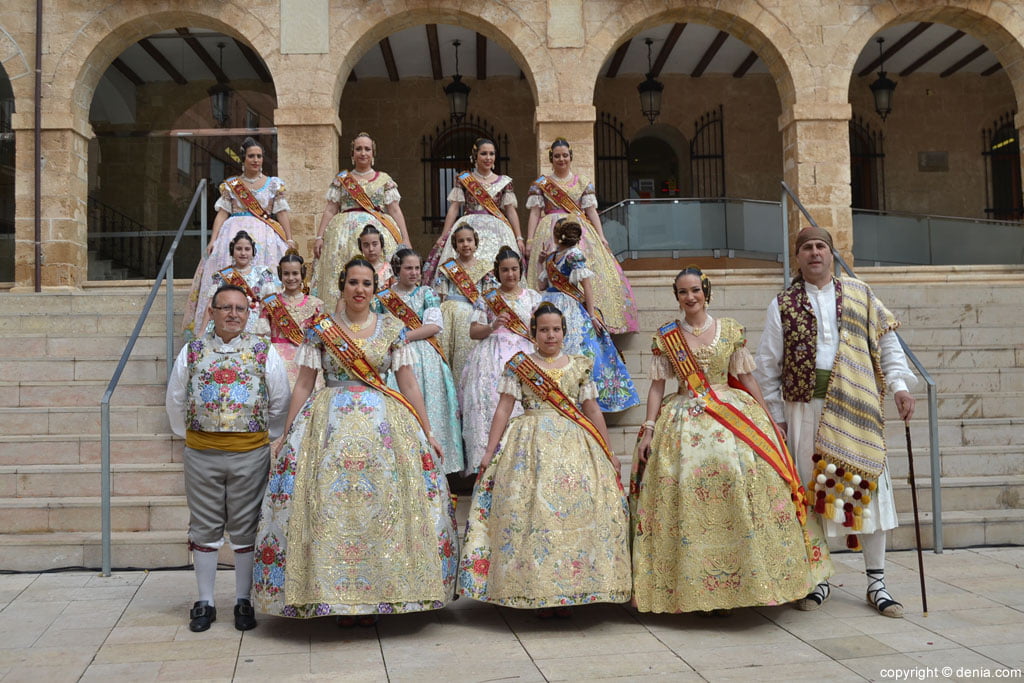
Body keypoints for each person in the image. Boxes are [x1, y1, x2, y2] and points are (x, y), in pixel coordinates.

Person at [252, 258, 458, 623]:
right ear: (341, 286)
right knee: (329, 510)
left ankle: (377, 595)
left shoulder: (392, 328)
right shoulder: (321, 328)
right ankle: (334, 597)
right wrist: (286, 432)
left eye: (366, 283)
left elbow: (408, 382)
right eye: (353, 283)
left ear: (374, 289)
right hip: (328, 425)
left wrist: (426, 430)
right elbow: (303, 382)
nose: (360, 290)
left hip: (383, 425)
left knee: (381, 509)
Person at [631, 267, 832, 614]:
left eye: (695, 290)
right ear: (676, 296)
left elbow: (747, 379)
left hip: (733, 416)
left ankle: (754, 581)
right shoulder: (666, 337)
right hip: (682, 421)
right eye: (682, 292)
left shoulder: (730, 330)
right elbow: (657, 387)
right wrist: (649, 427)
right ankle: (699, 588)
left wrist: (768, 419)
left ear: (705, 291)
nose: (690, 297)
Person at [754, 226, 916, 618]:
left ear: (832, 254)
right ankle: (818, 578)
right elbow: (766, 366)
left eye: (821, 247)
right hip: (804, 411)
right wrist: (777, 418)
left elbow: (888, 342)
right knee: (813, 494)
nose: (814, 253)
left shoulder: (861, 294)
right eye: (807, 248)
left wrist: (898, 386)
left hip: (858, 407)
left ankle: (877, 583)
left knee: (869, 487)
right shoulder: (783, 304)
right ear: (797, 258)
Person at [459, 303, 631, 616]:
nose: (550, 335)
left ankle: (570, 588)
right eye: (543, 330)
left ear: (564, 332)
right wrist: (488, 451)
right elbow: (503, 408)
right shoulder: (520, 365)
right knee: (531, 516)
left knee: (573, 515)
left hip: (575, 443)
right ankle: (535, 590)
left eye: (555, 329)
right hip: (528, 446)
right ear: (533, 333)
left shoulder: (580, 365)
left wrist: (608, 450)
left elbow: (592, 410)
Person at [165, 284, 290, 632]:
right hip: (201, 452)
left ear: (248, 314)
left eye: (240, 308)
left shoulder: (264, 352)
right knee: (204, 526)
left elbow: (279, 399)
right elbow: (176, 397)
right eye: (226, 308)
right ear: (212, 311)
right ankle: (203, 600)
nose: (233, 314)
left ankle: (242, 600)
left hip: (249, 453)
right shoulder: (192, 351)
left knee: (245, 527)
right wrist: (190, 435)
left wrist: (265, 435)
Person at [524, 138, 638, 333]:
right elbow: (535, 212)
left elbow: (591, 210)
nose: (561, 159)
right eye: (557, 156)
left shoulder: (583, 182)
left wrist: (601, 236)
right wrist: (530, 239)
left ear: (571, 157)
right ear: (551, 158)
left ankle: (592, 315)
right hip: (549, 231)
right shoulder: (541, 184)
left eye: (565, 155)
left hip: (579, 230)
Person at [184, 137, 294, 339]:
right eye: (251, 156)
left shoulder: (272, 185)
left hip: (266, 236)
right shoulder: (232, 185)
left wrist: (289, 239)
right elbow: (222, 213)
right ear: (243, 159)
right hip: (232, 234)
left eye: (259, 156)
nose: (256, 160)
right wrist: (213, 240)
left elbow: (282, 213)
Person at [373, 248, 465, 476]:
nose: (414, 272)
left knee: (430, 406)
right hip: (395, 358)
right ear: (397, 270)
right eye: (408, 268)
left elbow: (434, 326)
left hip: (425, 356)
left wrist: (402, 336)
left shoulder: (427, 293)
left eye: (417, 268)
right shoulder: (383, 297)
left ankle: (434, 463)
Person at [538, 218, 639, 413]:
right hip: (559, 305)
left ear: (557, 236)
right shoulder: (558, 256)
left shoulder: (564, 256)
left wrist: (592, 315)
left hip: (559, 305)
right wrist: (541, 262)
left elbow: (582, 286)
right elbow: (548, 285)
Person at [460, 246, 542, 475]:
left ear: (520, 270)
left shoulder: (533, 297)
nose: (510, 275)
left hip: (525, 355)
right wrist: (492, 325)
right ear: (497, 272)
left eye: (514, 269)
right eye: (505, 270)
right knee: (489, 405)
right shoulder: (487, 299)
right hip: (492, 357)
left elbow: (542, 328)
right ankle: (489, 462)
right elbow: (473, 332)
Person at [312, 132, 410, 312]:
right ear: (352, 154)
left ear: (373, 154)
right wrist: (319, 236)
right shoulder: (342, 180)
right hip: (342, 237)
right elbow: (331, 208)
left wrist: (405, 239)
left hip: (379, 233)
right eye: (358, 149)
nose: (363, 153)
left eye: (367, 149)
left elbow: (395, 209)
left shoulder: (384, 180)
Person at [422, 138, 523, 284]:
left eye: (491, 154)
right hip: (469, 225)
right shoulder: (464, 179)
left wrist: (518, 237)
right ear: (475, 156)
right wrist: (444, 235)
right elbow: (454, 207)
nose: (488, 158)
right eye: (484, 154)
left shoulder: (504, 181)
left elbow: (511, 211)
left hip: (498, 229)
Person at [430, 225, 497, 389]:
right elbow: (439, 296)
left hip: (473, 319)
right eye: (461, 241)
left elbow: (490, 297)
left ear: (476, 243)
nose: (465, 244)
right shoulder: (448, 268)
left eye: (469, 240)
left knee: (466, 359)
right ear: (455, 244)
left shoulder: (486, 268)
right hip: (449, 317)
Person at [195, 230, 281, 337]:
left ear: (253, 251)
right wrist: (201, 331)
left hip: (257, 327)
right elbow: (211, 303)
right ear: (232, 251)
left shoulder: (263, 273)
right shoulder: (223, 276)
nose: (243, 253)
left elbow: (272, 302)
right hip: (228, 322)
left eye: (247, 249)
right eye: (239, 249)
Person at [261, 251, 323, 388]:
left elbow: (321, 341)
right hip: (277, 362)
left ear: (302, 274)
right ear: (280, 275)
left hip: (306, 362)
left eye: (295, 273)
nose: (291, 278)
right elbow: (262, 338)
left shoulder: (316, 304)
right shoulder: (270, 303)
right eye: (286, 274)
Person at [357, 225, 395, 290]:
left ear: (381, 245)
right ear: (361, 248)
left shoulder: (388, 268)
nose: (371, 249)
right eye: (366, 245)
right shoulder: (357, 269)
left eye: (375, 244)